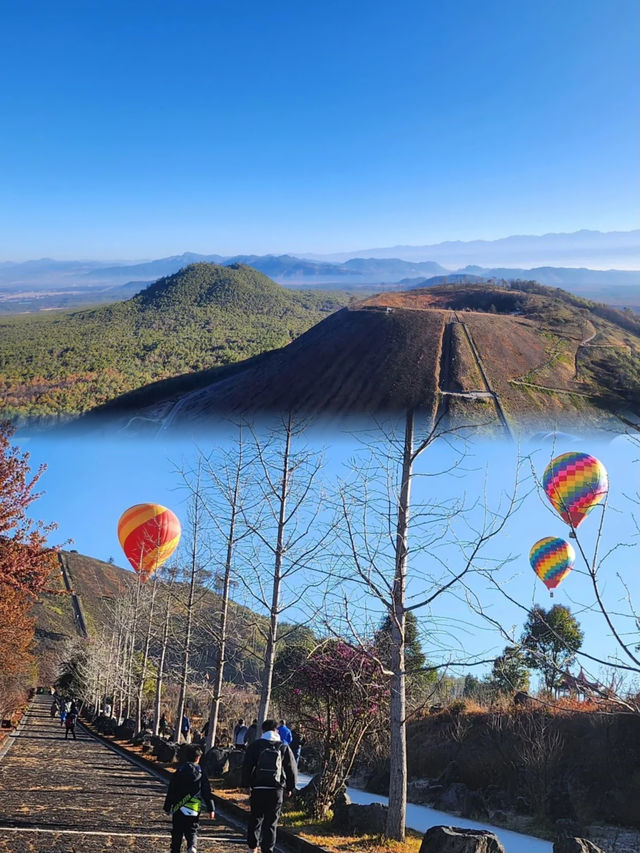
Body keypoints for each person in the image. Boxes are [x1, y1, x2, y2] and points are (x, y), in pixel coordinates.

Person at [242, 719, 297, 853]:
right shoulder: (283, 747)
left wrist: (245, 784)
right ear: (276, 730)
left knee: (255, 819)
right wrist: (290, 787)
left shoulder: (256, 745)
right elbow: (291, 769)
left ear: (263, 730)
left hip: (258, 788)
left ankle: (252, 848)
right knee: (271, 823)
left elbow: (247, 766)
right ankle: (267, 849)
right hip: (276, 790)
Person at [163, 744, 215, 853]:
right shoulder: (201, 774)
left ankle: (175, 849)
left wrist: (168, 806)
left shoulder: (180, 771)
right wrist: (211, 809)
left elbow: (172, 789)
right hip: (194, 805)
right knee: (192, 829)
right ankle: (192, 846)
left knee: (177, 830)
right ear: (198, 758)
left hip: (178, 805)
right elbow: (207, 792)